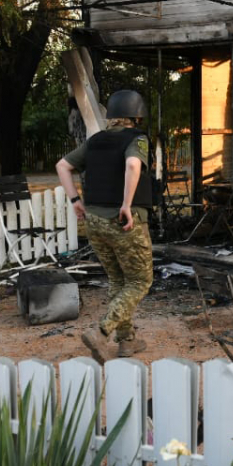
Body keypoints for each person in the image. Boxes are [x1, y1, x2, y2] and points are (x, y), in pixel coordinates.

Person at [56, 89, 154, 362]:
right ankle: (102, 332)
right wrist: (126, 204)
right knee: (140, 280)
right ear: (136, 116)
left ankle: (127, 342)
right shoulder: (137, 139)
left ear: (110, 115)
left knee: (118, 280)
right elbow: (133, 166)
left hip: (94, 223)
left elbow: (62, 166)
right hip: (123, 221)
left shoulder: (95, 141)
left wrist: (75, 199)